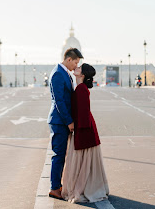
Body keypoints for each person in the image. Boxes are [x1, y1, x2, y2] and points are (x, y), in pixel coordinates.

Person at [61, 63, 109, 203]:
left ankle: (82, 188)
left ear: (82, 74)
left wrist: (76, 131)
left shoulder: (81, 89)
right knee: (85, 163)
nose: (76, 67)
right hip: (85, 126)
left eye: (79, 67)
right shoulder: (80, 88)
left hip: (84, 128)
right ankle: (86, 186)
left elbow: (82, 113)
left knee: (82, 161)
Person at [47, 48, 84, 199]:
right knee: (58, 155)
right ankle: (54, 188)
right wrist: (69, 121)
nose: (76, 66)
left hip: (61, 121)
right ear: (69, 59)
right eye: (75, 62)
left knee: (61, 155)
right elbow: (59, 102)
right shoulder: (57, 74)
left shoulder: (64, 73)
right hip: (59, 121)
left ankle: (58, 185)